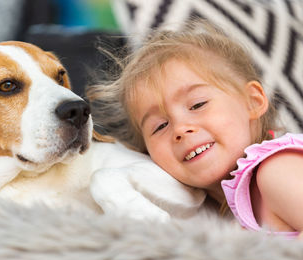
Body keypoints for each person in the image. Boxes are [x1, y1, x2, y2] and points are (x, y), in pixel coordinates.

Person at [87, 20, 303, 238]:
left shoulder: (276, 170)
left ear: (252, 102)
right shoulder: (214, 214)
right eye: (160, 126)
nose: (180, 129)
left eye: (197, 105)